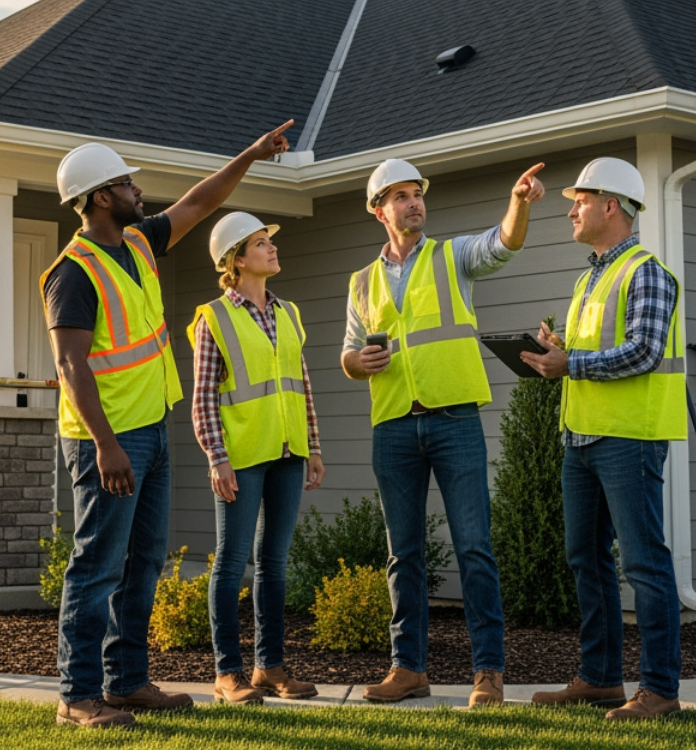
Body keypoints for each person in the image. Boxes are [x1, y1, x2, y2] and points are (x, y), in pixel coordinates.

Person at [43, 122, 295, 730]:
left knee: (144, 562)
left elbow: (201, 201)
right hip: (107, 441)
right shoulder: (71, 272)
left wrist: (251, 153)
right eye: (126, 183)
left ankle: (126, 683)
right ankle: (77, 697)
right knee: (96, 565)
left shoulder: (137, 243)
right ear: (100, 196)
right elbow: (70, 362)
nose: (138, 189)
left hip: (152, 429)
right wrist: (105, 445)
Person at [340, 157, 546, 708]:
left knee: (474, 547)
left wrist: (519, 203)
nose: (415, 203)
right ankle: (408, 669)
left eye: (418, 194)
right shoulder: (361, 282)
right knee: (402, 554)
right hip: (393, 426)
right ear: (378, 209)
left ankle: (488, 672)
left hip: (455, 420)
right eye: (401, 196)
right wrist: (360, 362)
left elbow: (504, 243)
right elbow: (347, 355)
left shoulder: (451, 256)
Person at [519, 157, 686, 721]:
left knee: (644, 564)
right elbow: (597, 346)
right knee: (585, 559)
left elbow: (642, 350)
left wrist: (571, 363)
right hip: (582, 437)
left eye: (580, 200)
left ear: (610, 205)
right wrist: (559, 346)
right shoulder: (589, 276)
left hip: (629, 438)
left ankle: (660, 689)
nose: (570, 210)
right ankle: (600, 679)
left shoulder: (647, 272)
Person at [188, 212, 325, 704]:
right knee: (230, 564)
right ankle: (228, 673)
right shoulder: (214, 318)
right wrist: (216, 457)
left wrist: (313, 446)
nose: (272, 249)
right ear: (237, 259)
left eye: (270, 242)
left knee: (275, 564)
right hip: (240, 456)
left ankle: (270, 667)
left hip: (288, 453)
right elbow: (202, 397)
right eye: (262, 244)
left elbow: (301, 384)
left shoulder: (288, 313)